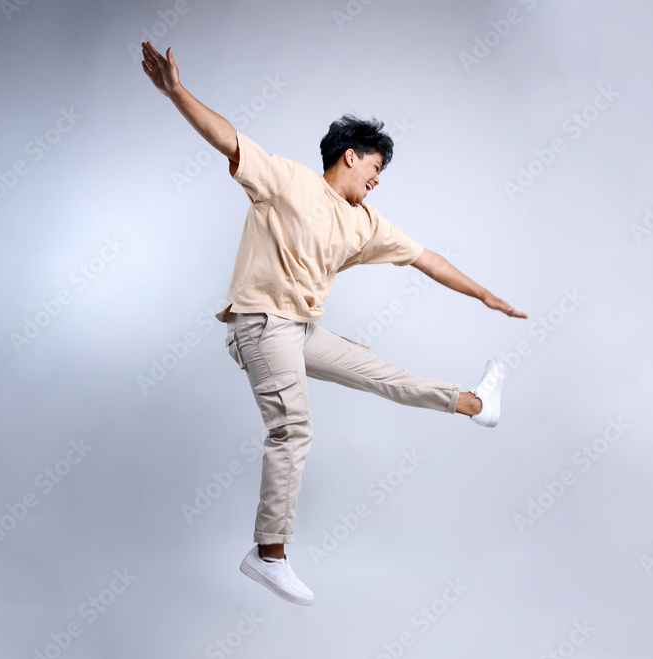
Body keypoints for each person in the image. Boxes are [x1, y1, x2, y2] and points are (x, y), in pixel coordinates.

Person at [141, 41, 528, 606]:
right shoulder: (288, 181)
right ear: (350, 155)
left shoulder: (365, 223)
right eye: (375, 167)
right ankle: (268, 554)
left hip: (298, 329)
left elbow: (427, 258)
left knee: (382, 373)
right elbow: (227, 139)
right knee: (292, 430)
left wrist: (485, 294)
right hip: (261, 324)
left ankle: (474, 403)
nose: (378, 179)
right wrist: (176, 91)